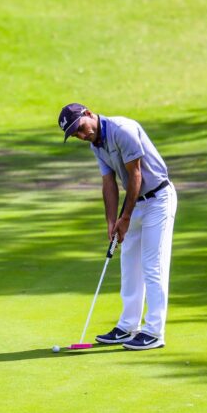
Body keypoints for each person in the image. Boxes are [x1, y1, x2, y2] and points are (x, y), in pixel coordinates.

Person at [59, 103, 177, 350]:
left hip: (158, 199)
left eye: (80, 128)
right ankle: (127, 326)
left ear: (89, 114)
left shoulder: (122, 129)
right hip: (135, 203)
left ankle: (154, 332)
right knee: (129, 263)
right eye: (75, 134)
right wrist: (111, 221)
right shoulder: (96, 144)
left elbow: (136, 176)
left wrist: (126, 217)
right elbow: (108, 183)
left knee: (152, 264)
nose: (82, 135)